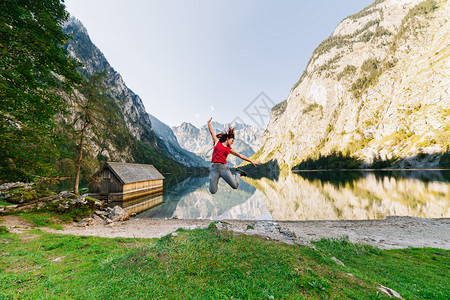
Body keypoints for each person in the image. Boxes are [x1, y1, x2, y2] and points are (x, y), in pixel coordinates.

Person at [207, 117, 261, 194]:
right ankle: (214, 180)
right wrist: (209, 123)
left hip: (223, 169)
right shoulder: (217, 142)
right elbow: (212, 132)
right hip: (214, 168)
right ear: (228, 138)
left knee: (235, 186)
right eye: (232, 141)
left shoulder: (229, 149)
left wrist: (251, 161)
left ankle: (238, 173)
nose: (232, 143)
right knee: (212, 191)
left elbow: (240, 155)